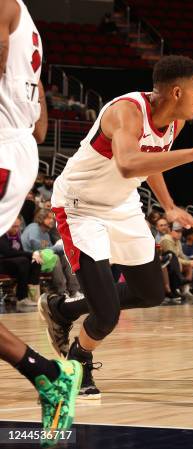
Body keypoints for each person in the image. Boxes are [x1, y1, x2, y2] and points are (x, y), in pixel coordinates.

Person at [38, 55, 193, 399]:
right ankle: (78, 360)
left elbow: (151, 160)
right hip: (80, 207)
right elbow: (129, 164)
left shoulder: (175, 121)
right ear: (176, 92)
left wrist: (170, 206)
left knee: (151, 293)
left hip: (123, 204)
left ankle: (61, 309)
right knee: (107, 315)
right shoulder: (126, 111)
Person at [0, 0, 81, 444]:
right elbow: (41, 130)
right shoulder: (25, 19)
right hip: (15, 147)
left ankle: (48, 373)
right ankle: (46, 373)